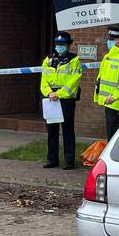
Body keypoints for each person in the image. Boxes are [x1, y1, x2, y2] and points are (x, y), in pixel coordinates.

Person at [39, 31, 82, 170]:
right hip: (51, 99)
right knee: (52, 131)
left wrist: (59, 93)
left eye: (63, 44)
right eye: (58, 44)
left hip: (65, 100)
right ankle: (52, 159)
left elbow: (74, 81)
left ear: (69, 45)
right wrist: (49, 93)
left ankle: (69, 161)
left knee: (68, 130)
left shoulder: (74, 60)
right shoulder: (48, 60)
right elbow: (43, 80)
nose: (60, 47)